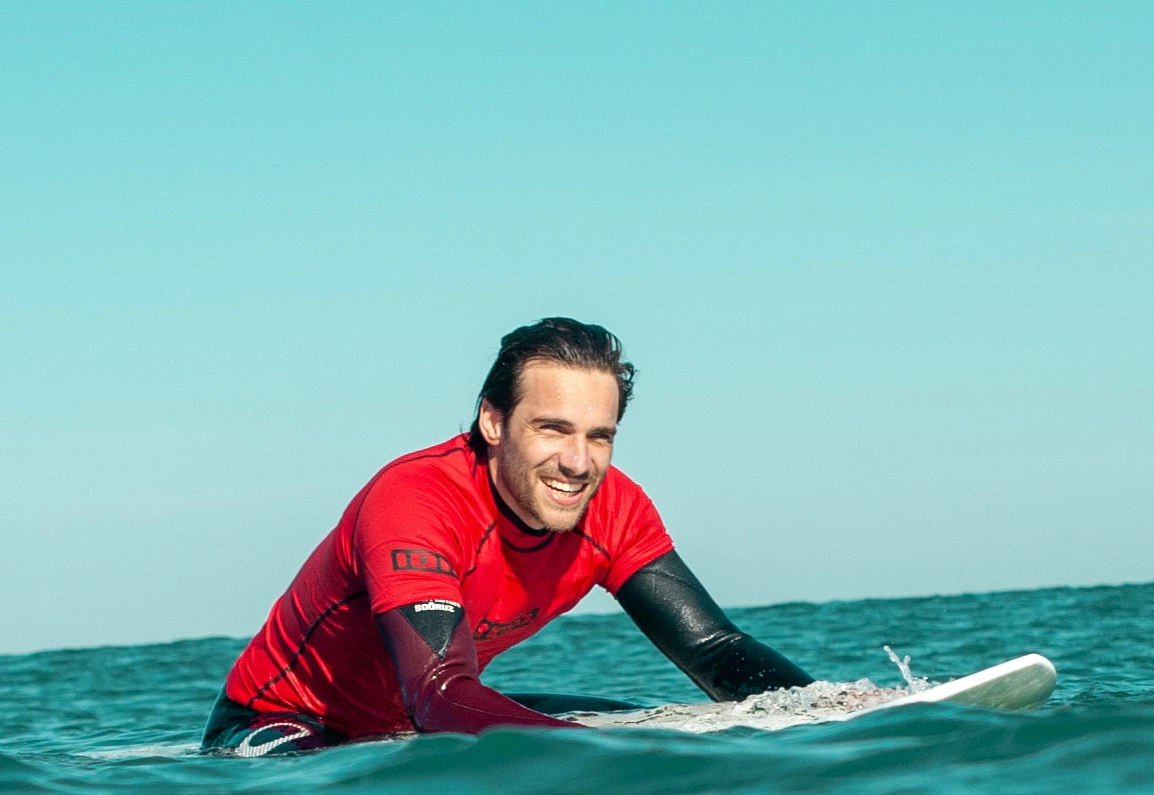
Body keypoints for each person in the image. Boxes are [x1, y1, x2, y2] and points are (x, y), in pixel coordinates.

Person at [203, 318, 812, 755]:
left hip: (417, 718)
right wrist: (599, 761)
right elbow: (439, 694)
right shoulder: (416, 501)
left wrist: (834, 716)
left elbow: (713, 648)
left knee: (652, 724)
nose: (579, 462)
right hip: (286, 723)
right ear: (494, 420)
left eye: (599, 436)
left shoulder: (614, 506)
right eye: (553, 429)